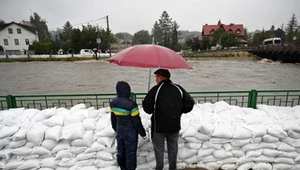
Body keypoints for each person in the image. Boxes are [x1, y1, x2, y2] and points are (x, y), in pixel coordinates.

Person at [142, 69, 194, 170]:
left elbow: (147, 109)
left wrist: (149, 104)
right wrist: (179, 111)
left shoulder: (156, 90)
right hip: (174, 126)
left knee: (159, 150)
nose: (156, 79)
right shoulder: (178, 88)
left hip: (159, 127)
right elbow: (190, 103)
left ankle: (159, 168)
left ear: (161, 77)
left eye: (156, 77)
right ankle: (172, 168)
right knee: (173, 148)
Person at [110, 81, 146, 170]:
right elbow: (136, 121)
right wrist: (142, 133)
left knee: (121, 152)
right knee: (130, 154)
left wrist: (116, 129)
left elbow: (113, 119)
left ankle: (122, 167)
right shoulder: (132, 104)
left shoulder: (113, 103)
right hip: (131, 133)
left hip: (120, 131)